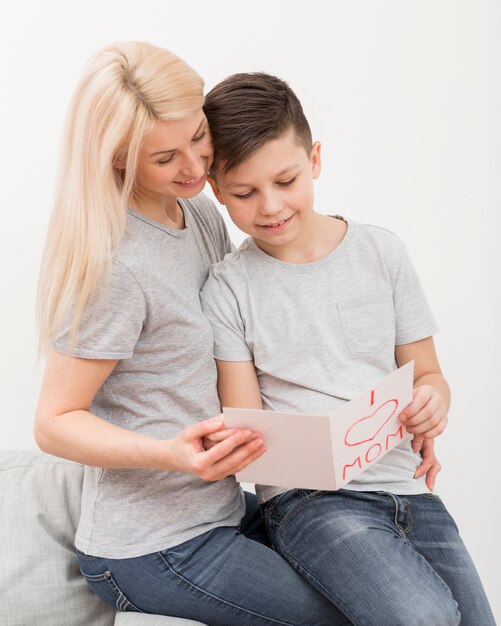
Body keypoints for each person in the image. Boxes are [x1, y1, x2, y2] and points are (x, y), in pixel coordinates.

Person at [34, 42, 357, 625]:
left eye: (198, 137)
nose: (194, 167)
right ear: (117, 159)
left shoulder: (199, 213)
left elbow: (241, 330)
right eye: (165, 158)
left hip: (224, 508)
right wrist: (171, 456)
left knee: (385, 593)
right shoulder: (116, 267)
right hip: (151, 548)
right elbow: (54, 424)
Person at [200, 72, 496, 626]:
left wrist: (433, 401)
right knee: (421, 619)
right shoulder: (229, 288)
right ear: (217, 191)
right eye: (244, 193)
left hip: (409, 490)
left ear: (315, 158)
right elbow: (247, 426)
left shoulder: (382, 253)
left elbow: (427, 373)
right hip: (310, 502)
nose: (270, 206)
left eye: (285, 180)